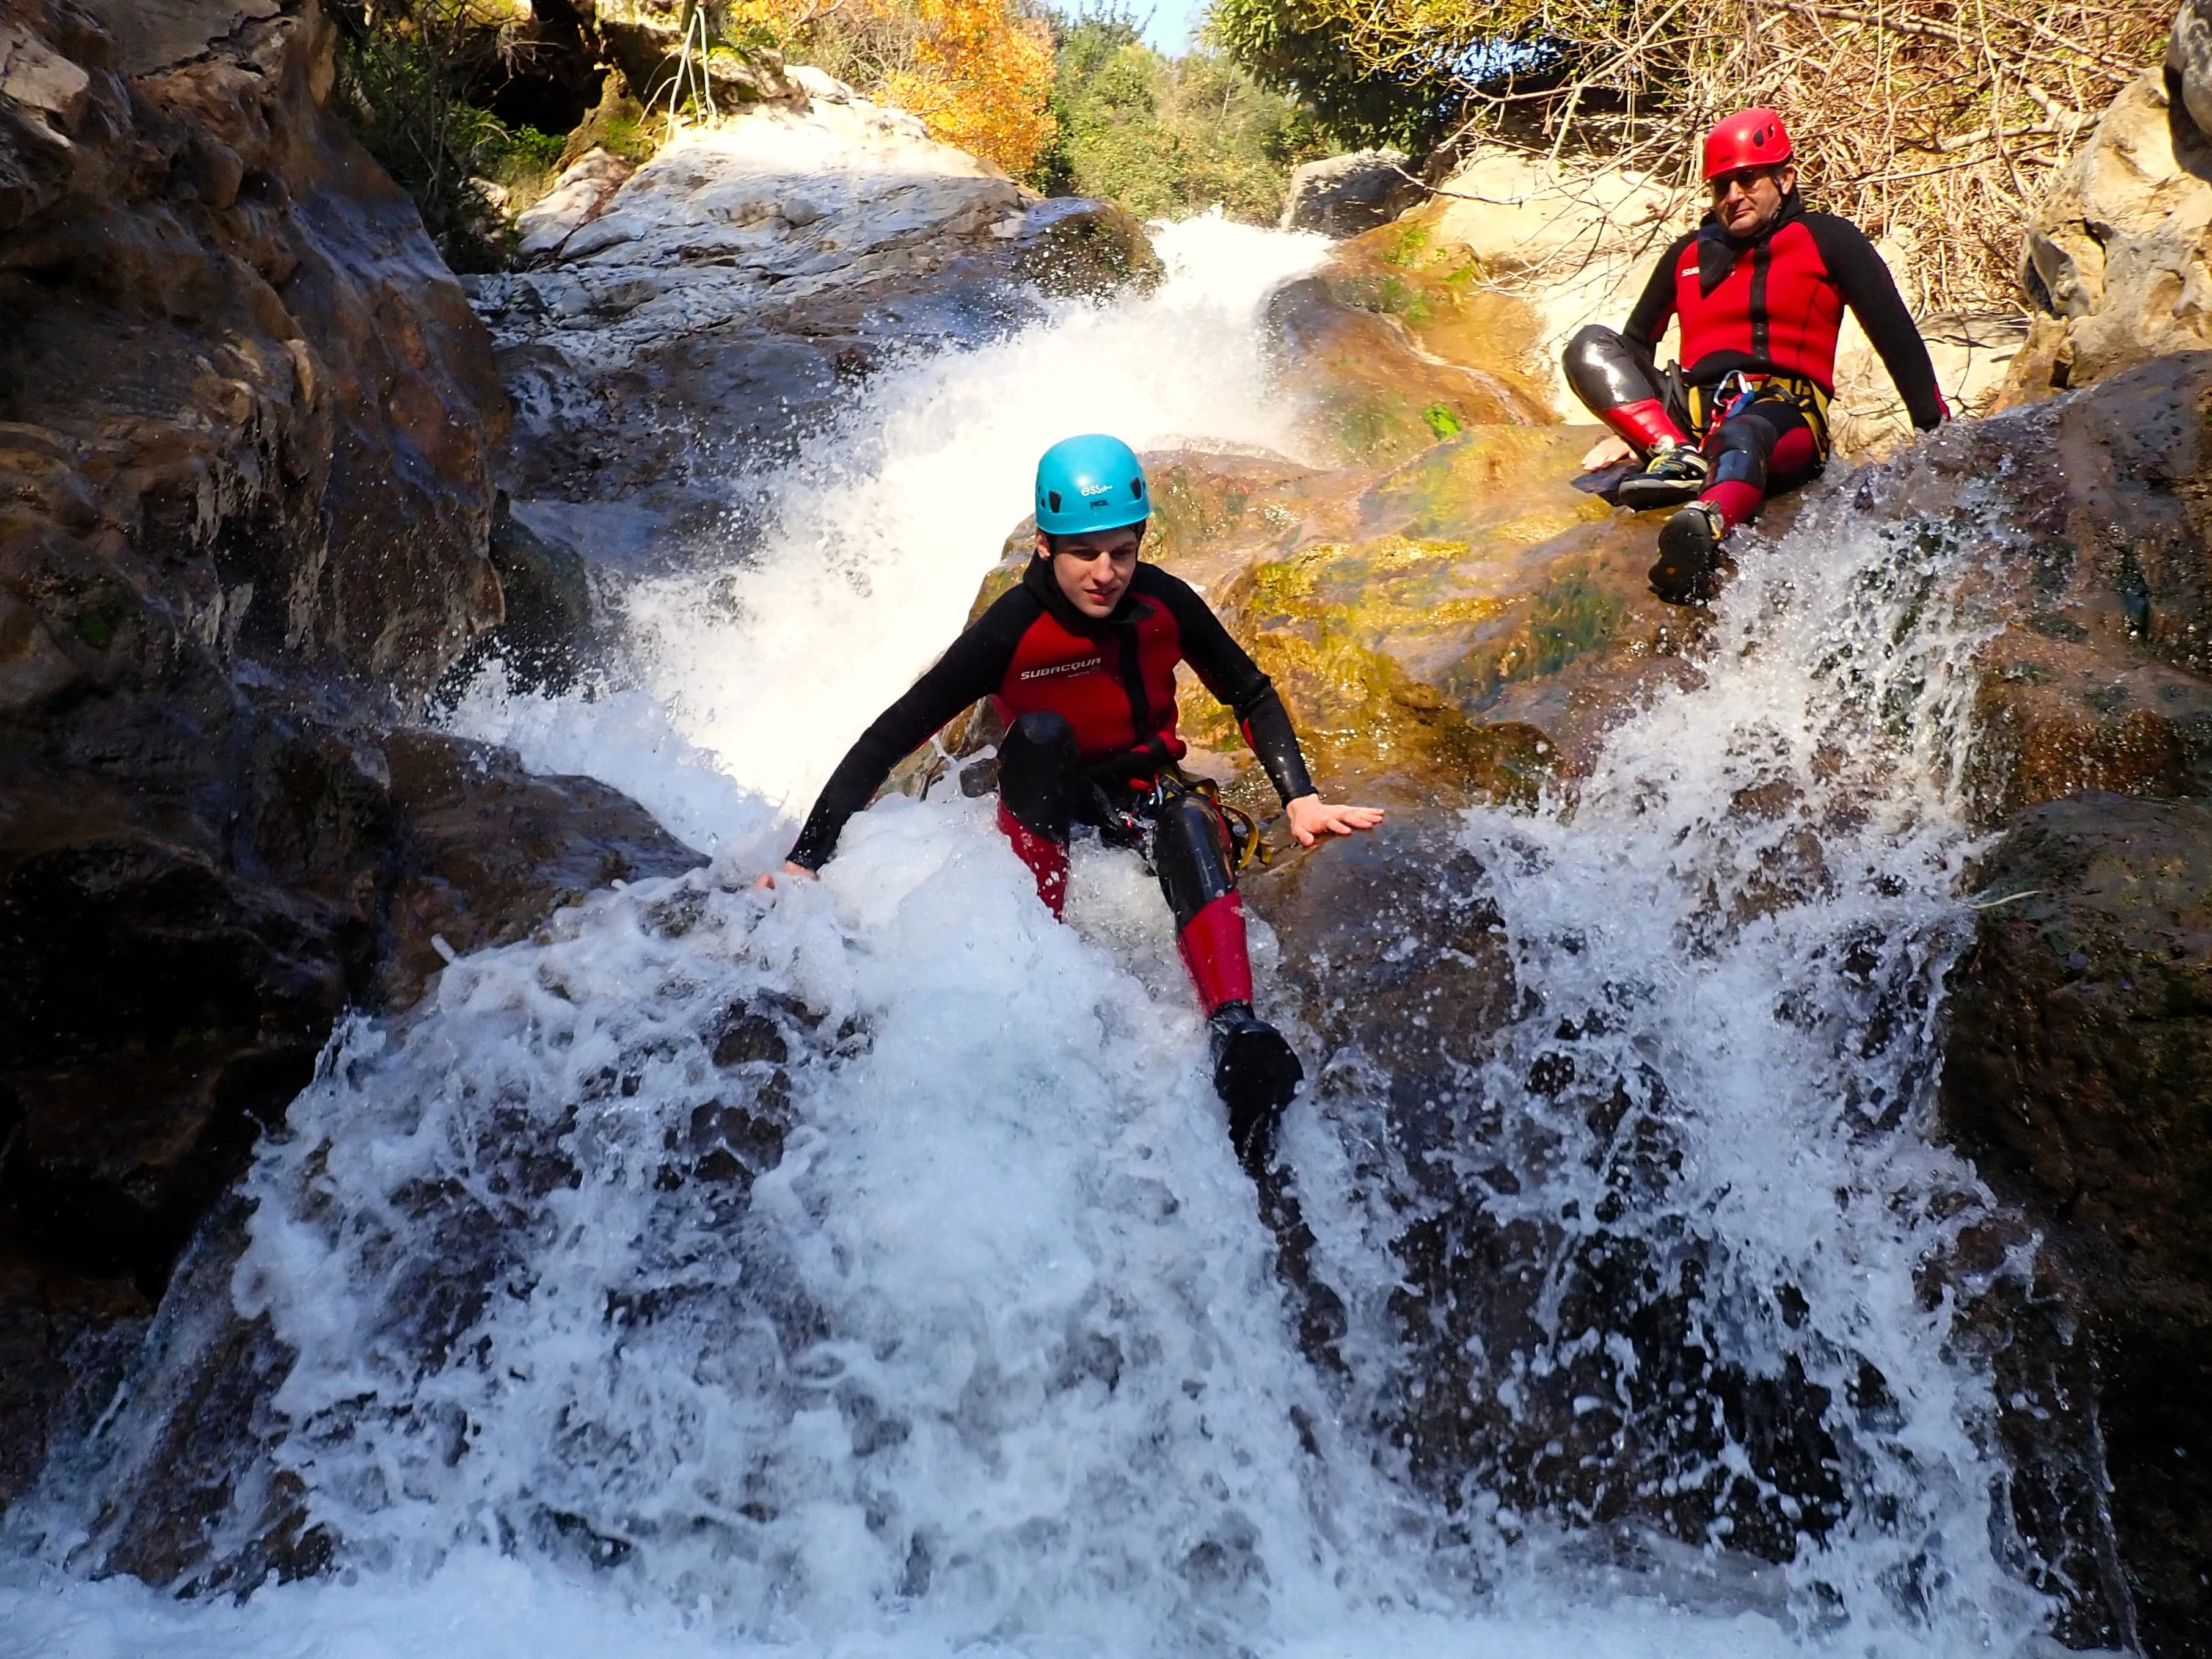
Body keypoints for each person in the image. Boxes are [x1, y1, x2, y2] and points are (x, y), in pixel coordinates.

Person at [757, 434, 1385, 1175]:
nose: (1105, 572)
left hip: (1138, 800)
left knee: (1187, 818)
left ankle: (1234, 1028)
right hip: (1045, 809)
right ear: (1047, 543)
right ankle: (1045, 950)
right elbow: (889, 737)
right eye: (1085, 552)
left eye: (1121, 551)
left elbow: (1248, 691)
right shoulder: (1011, 629)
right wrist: (806, 858)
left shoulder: (1163, 603)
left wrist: (1301, 797)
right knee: (1043, 733)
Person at [1564, 108, 1949, 604]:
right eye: (1721, 186)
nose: (1732, 197)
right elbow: (1634, 345)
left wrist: (1936, 432)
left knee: (1742, 434)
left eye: (1747, 180)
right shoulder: (1686, 253)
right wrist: (1630, 430)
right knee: (1588, 344)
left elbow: (1896, 336)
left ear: (1784, 178)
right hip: (1689, 416)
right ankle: (1675, 458)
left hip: (1780, 414)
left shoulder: (1828, 240)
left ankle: (1704, 523)